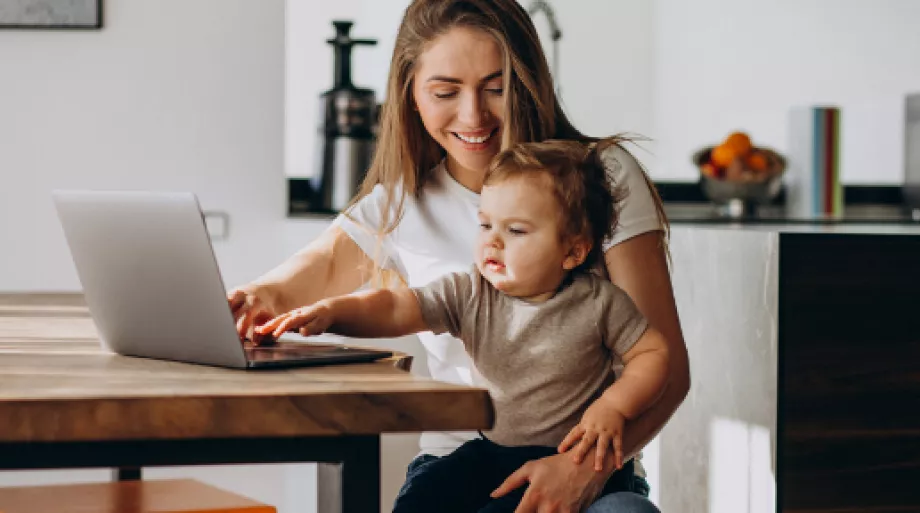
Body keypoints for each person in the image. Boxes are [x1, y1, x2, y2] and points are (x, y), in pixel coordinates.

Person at [228, 1, 690, 511]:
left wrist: (581, 470)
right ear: (412, 96)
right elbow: (295, 284)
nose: (473, 115)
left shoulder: (599, 178)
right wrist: (254, 298)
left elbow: (665, 366)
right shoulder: (401, 203)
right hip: (463, 462)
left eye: (497, 88)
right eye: (445, 92)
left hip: (589, 467)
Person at [256, 140, 671, 513]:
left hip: (576, 459)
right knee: (426, 495)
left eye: (516, 230)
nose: (492, 241)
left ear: (572, 250)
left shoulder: (600, 302)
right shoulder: (471, 291)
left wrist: (614, 406)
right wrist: (334, 311)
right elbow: (398, 307)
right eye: (486, 224)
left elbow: (653, 354)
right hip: (493, 451)